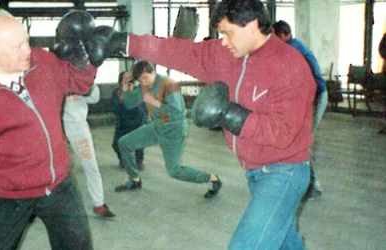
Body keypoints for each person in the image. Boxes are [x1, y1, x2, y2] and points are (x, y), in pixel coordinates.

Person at [84, 0, 315, 248]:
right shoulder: (225, 54)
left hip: (284, 171)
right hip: (254, 170)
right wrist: (125, 42)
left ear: (252, 25)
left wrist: (231, 115)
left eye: (228, 33)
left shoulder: (290, 66)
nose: (223, 40)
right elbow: (178, 52)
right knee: (284, 241)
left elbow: (284, 132)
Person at [0, 9, 98, 249]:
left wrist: (84, 60)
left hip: (57, 184)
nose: (28, 50)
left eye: (26, 41)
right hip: (5, 193)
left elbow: (78, 81)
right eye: (17, 46)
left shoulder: (41, 61)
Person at [113, 61, 222, 199]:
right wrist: (125, 87)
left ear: (153, 72)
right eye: (140, 80)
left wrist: (155, 103)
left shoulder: (168, 84)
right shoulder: (143, 86)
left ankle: (212, 179)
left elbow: (178, 114)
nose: (144, 83)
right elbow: (129, 103)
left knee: (174, 170)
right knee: (124, 143)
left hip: (174, 129)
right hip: (157, 126)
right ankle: (134, 179)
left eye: (146, 78)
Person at [273, 20, 326, 199]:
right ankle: (307, 183)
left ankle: (312, 185)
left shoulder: (293, 48)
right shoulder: (292, 47)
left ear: (285, 34)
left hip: (316, 97)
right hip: (311, 97)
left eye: (276, 36)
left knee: (302, 142)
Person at [62, 83, 116, 217]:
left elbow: (94, 99)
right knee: (52, 168)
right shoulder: (52, 73)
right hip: (53, 125)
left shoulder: (81, 76)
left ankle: (98, 204)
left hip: (78, 127)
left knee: (90, 165)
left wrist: (88, 85)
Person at [111, 71, 147, 170]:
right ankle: (124, 160)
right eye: (126, 78)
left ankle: (138, 161)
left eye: (131, 78)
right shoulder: (116, 92)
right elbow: (115, 107)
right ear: (121, 81)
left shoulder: (138, 91)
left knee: (138, 144)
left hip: (137, 122)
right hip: (123, 123)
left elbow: (142, 108)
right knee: (116, 144)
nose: (129, 80)